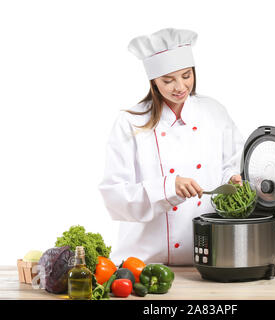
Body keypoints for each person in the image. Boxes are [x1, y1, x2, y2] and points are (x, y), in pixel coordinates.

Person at [99, 28, 245, 266]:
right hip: (142, 264)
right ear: (153, 81)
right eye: (168, 80)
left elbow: (232, 162)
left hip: (208, 261)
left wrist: (233, 178)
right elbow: (114, 196)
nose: (180, 87)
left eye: (187, 75)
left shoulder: (214, 112)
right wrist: (167, 187)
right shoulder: (131, 122)